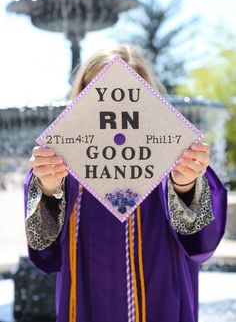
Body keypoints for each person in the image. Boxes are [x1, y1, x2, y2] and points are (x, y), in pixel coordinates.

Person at [24, 44, 227, 322]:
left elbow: (200, 242)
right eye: (98, 88)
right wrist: (48, 187)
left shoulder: (174, 153)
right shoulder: (63, 157)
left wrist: (184, 185)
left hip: (159, 296)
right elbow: (43, 247)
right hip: (85, 297)